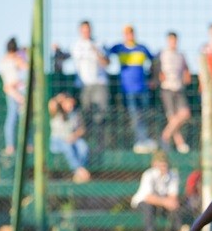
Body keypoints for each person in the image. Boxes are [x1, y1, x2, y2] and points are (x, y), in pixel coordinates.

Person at [108, 25, 156, 154]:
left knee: (144, 114)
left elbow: (154, 61)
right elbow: (106, 53)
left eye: (131, 33)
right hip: (128, 89)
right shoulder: (119, 48)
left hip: (143, 88)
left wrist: (153, 78)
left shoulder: (142, 48)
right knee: (134, 115)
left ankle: (145, 139)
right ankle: (140, 141)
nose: (129, 35)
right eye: (126, 33)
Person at [71, 20, 110, 152]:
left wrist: (96, 51)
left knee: (100, 116)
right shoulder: (76, 46)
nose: (86, 32)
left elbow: (106, 62)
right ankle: (86, 145)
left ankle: (101, 146)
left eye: (88, 30)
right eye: (83, 30)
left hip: (99, 84)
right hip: (84, 86)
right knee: (85, 116)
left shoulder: (99, 43)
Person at [131, 150, 183, 231]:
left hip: (162, 204)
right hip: (143, 203)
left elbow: (173, 196)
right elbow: (148, 197)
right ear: (155, 164)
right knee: (148, 206)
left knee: (176, 206)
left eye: (165, 164)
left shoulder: (173, 175)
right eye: (161, 164)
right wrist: (166, 202)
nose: (163, 167)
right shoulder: (148, 174)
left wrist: (170, 202)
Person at [158, 31, 192, 154]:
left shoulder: (181, 55)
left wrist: (186, 76)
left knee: (184, 114)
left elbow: (186, 69)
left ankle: (165, 135)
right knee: (172, 117)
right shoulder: (162, 54)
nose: (173, 43)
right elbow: (156, 68)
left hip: (179, 88)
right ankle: (180, 143)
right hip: (167, 88)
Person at [48, 92, 91, 183]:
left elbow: (82, 129)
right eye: (68, 103)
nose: (71, 105)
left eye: (72, 103)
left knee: (83, 147)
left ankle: (79, 171)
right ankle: (79, 171)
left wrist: (74, 136)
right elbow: (51, 104)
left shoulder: (76, 114)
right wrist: (59, 98)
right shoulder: (57, 112)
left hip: (73, 139)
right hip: (58, 140)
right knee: (67, 148)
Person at [0, 37, 28, 158]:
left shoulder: (3, 61)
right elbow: (27, 68)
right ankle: (25, 144)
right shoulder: (15, 59)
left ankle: (11, 146)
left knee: (13, 119)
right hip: (17, 92)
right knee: (20, 119)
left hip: (11, 92)